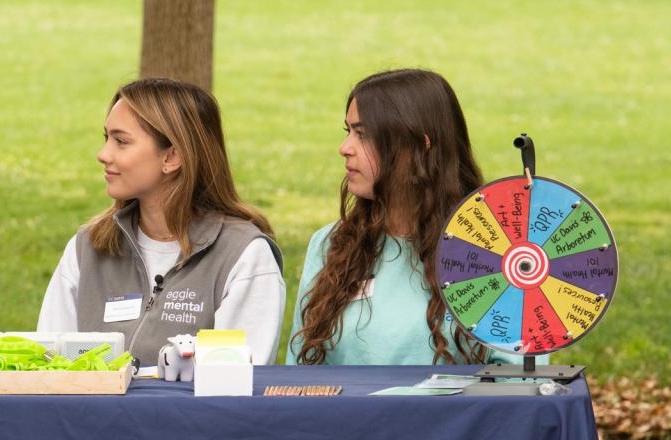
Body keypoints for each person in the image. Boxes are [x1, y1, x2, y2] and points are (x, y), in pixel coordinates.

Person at [37, 77, 284, 366]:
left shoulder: (244, 255)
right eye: (106, 138)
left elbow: (234, 383)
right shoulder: (88, 247)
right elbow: (49, 365)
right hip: (89, 412)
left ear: (172, 157)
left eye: (121, 141)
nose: (103, 154)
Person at [288, 68, 521, 366]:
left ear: (418, 148)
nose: (344, 148)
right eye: (348, 132)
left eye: (363, 134)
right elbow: (299, 374)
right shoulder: (329, 244)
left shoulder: (498, 253)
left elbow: (518, 382)